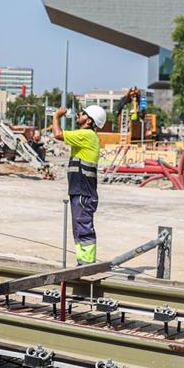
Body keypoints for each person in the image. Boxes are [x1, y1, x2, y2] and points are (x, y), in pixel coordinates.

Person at [52, 104, 106, 264]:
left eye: (82, 113)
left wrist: (56, 116)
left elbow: (57, 134)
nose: (79, 115)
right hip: (80, 191)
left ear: (89, 120)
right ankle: (82, 261)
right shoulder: (84, 137)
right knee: (78, 228)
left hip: (83, 193)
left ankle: (87, 263)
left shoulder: (87, 135)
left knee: (83, 228)